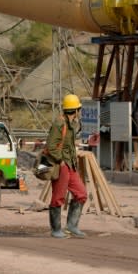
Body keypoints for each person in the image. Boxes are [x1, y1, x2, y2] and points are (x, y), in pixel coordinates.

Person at [45, 94, 88, 238]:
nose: (79, 113)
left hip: (71, 165)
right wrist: (61, 161)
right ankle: (56, 229)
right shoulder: (59, 124)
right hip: (61, 165)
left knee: (81, 194)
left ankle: (71, 226)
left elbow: (67, 143)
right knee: (58, 197)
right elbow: (51, 146)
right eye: (78, 110)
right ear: (75, 110)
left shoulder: (71, 124)